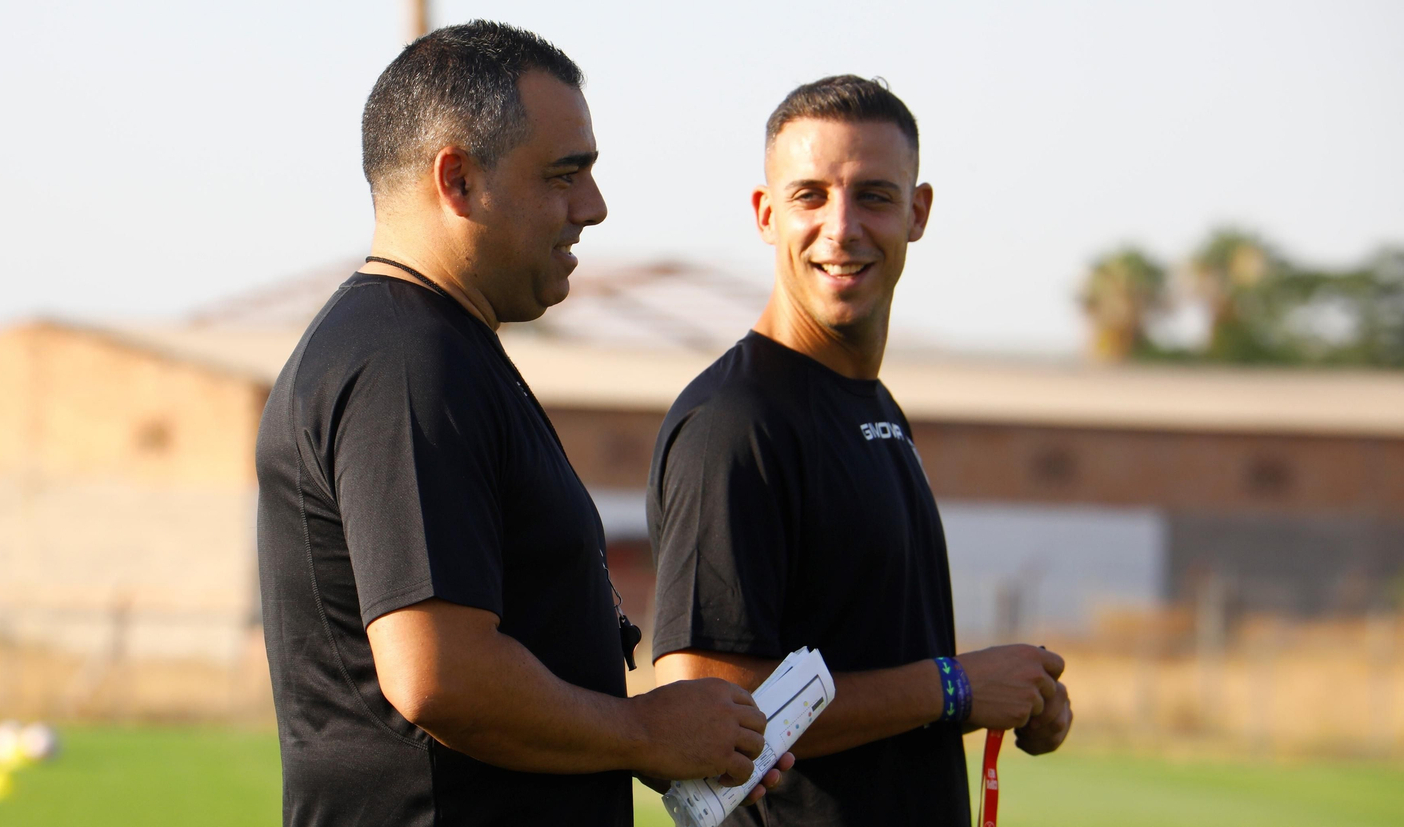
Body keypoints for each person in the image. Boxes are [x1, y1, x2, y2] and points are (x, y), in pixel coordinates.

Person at [255, 22, 788, 827]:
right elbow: (440, 673)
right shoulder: (407, 363)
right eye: (565, 175)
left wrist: (670, 732)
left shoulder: (437, 349)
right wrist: (641, 731)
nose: (594, 207)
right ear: (459, 179)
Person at [649, 75, 1073, 826]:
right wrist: (955, 687)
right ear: (765, 213)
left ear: (918, 212)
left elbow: (870, 653)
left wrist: (1013, 692)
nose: (841, 227)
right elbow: (708, 709)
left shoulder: (876, 408)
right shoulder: (734, 421)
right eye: (810, 195)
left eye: (873, 195)